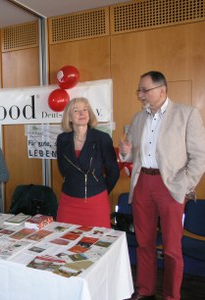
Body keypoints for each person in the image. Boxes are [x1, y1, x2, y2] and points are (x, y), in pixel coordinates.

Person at [119, 71, 205, 300]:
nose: (140, 95)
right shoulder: (138, 118)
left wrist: (184, 184)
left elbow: (199, 156)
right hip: (142, 184)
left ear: (162, 90)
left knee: (171, 248)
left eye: (144, 90)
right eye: (139, 90)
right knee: (144, 242)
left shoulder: (187, 114)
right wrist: (126, 153)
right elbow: (131, 154)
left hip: (170, 186)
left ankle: (171, 296)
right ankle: (145, 289)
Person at [56, 97, 120, 228]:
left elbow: (113, 172)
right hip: (68, 203)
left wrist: (98, 190)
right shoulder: (62, 139)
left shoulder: (102, 139)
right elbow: (63, 170)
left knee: (96, 244)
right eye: (76, 110)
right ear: (69, 118)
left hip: (96, 204)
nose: (82, 113)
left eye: (85, 109)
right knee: (65, 242)